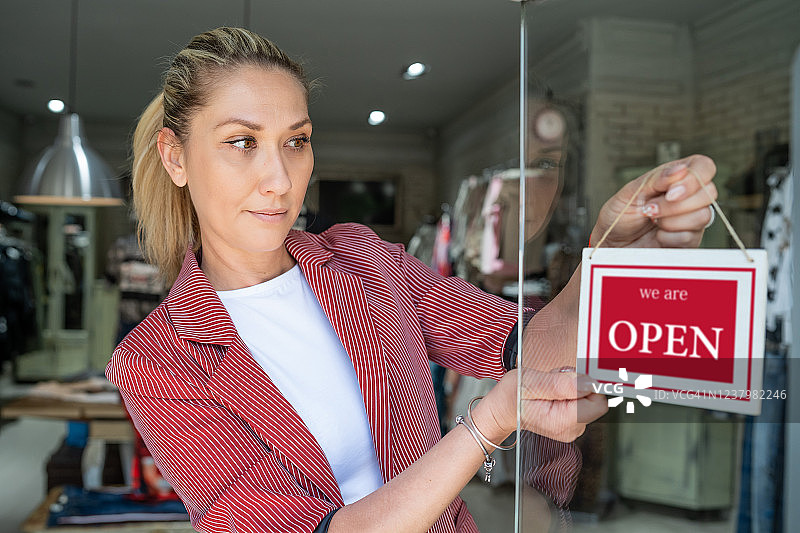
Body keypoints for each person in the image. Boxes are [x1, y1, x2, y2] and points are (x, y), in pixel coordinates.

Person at [105, 27, 718, 533]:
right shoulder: (158, 361)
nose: (280, 179)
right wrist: (486, 424)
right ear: (175, 156)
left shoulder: (361, 262)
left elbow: (526, 346)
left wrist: (609, 257)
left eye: (296, 141)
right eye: (242, 142)